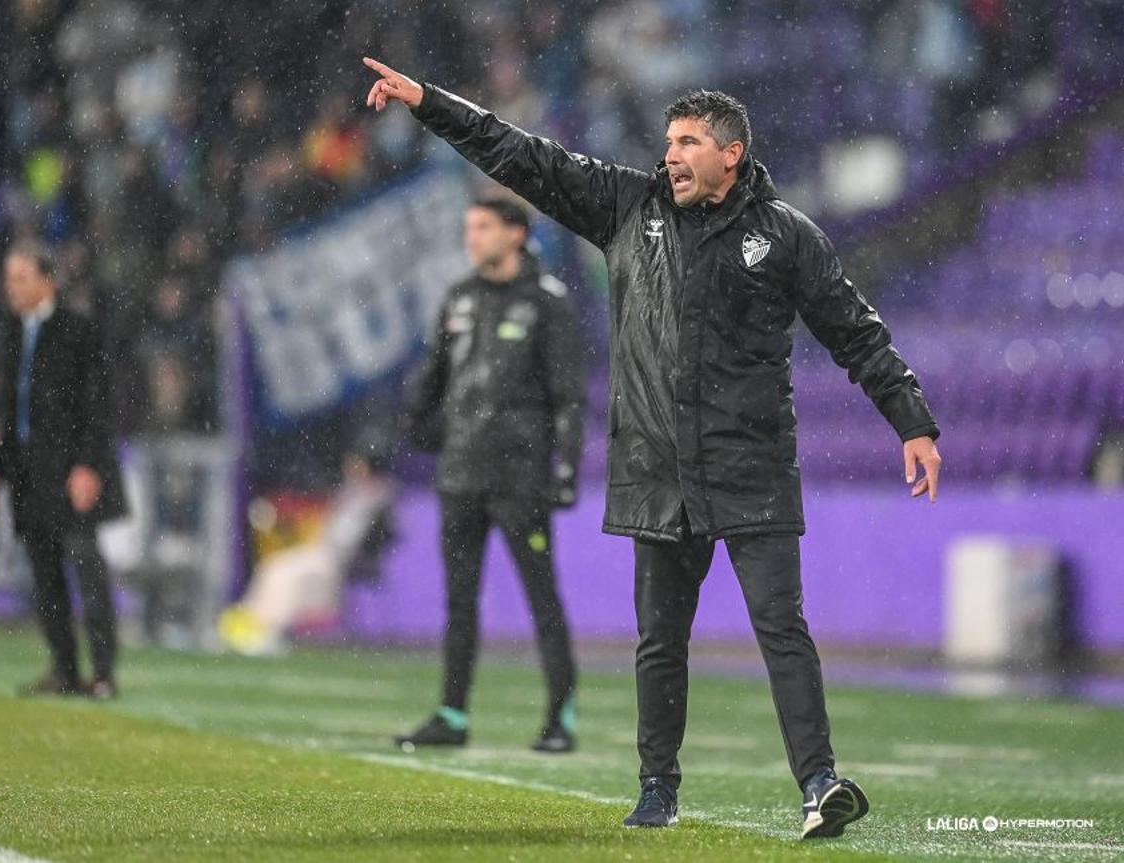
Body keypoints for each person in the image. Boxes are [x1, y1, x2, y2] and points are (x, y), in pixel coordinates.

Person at [362, 59, 942, 838]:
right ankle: (657, 787)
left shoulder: (786, 237)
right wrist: (431, 102)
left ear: (731, 154)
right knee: (660, 641)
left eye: (690, 141)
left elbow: (856, 332)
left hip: (752, 468)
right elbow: (520, 154)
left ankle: (819, 783)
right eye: (669, 140)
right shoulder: (627, 207)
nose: (671, 154)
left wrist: (913, 421)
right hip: (657, 469)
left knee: (782, 627)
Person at [394, 197, 585, 754]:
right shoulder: (459, 298)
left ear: (516, 234)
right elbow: (431, 379)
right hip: (460, 474)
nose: (471, 238)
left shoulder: (548, 305)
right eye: (468, 228)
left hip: (519, 478)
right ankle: (452, 714)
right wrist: (414, 428)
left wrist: (566, 468)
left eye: (482, 228)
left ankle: (561, 717)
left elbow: (568, 399)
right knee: (459, 600)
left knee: (540, 597)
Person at [0, 241, 127, 700]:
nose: (12, 289)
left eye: (21, 279)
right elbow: (7, 411)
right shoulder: (10, 333)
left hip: (69, 470)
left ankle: (102, 672)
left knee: (87, 566)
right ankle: (63, 667)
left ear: (48, 281)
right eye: (9, 280)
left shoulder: (77, 331)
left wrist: (88, 465)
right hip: (27, 470)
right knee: (44, 574)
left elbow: (98, 405)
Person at [219, 439, 396, 655]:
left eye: (356, 463)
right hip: (324, 552)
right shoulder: (351, 491)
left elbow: (347, 538)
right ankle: (251, 621)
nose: (350, 467)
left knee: (286, 572)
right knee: (275, 565)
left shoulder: (376, 495)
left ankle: (268, 628)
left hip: (339, 559)